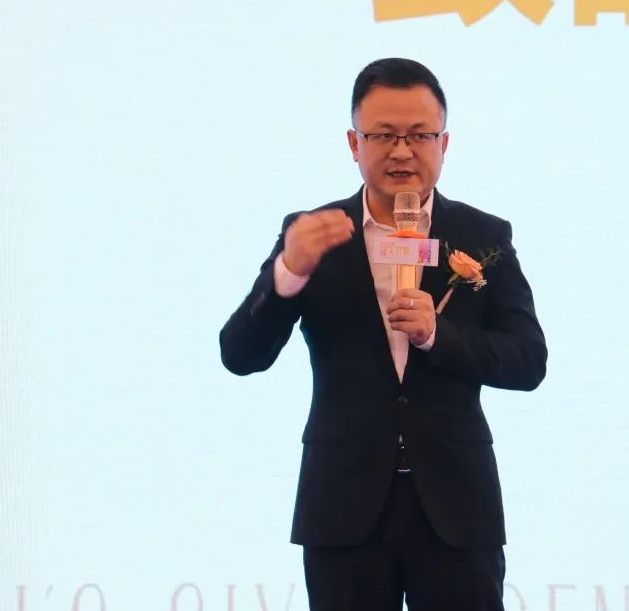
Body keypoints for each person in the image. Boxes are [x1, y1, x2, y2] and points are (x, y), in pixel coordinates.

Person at [219, 58, 546, 611]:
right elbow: (240, 354)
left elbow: (528, 360)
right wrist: (289, 273)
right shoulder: (312, 233)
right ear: (354, 143)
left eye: (419, 135)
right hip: (343, 505)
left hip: (456, 506)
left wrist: (439, 335)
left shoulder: (482, 235)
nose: (401, 151)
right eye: (383, 135)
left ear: (444, 144)